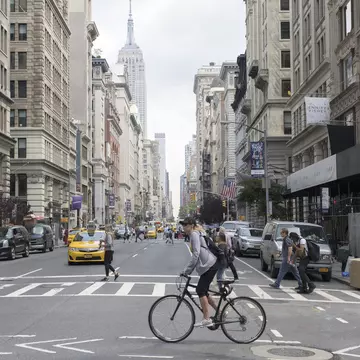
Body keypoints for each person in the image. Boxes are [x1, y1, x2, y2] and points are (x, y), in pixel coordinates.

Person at [180, 217, 218, 328]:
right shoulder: (195, 234)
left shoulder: (194, 235)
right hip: (209, 265)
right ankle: (220, 312)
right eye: (183, 225)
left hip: (209, 265)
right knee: (204, 291)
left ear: (191, 225)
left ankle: (206, 318)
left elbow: (196, 254)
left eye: (185, 225)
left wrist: (187, 271)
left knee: (200, 290)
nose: (184, 227)